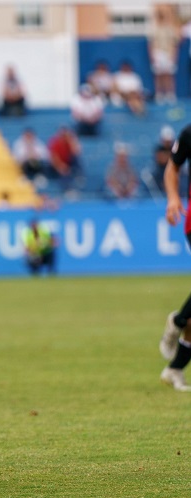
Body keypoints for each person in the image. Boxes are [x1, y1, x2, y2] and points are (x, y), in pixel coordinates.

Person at [159, 122, 191, 391]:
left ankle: (175, 368)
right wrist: (172, 198)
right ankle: (178, 321)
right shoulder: (189, 132)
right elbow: (173, 167)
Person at [149, 6, 180, 105]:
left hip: (168, 53)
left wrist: (174, 55)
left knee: (168, 75)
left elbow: (175, 44)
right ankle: (159, 95)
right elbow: (151, 44)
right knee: (159, 75)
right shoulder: (154, 29)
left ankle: (170, 94)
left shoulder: (170, 29)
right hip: (158, 53)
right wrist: (152, 56)